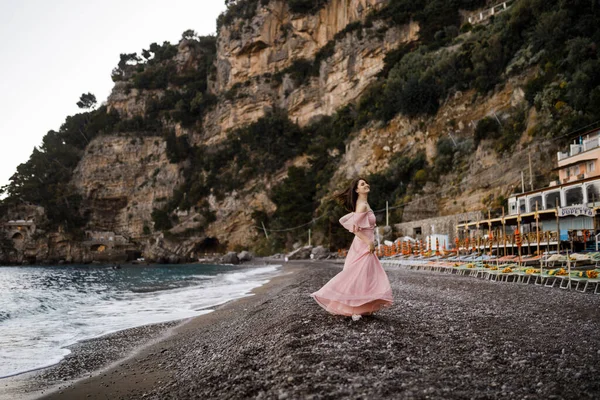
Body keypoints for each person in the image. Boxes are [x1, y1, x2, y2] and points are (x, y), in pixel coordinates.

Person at [311, 178, 393, 321]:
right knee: (357, 275)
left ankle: (363, 306)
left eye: (366, 183)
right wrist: (369, 243)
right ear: (357, 190)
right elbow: (355, 229)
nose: (366, 185)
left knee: (366, 275)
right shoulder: (361, 205)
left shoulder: (364, 203)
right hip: (363, 244)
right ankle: (353, 307)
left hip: (364, 243)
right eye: (362, 184)